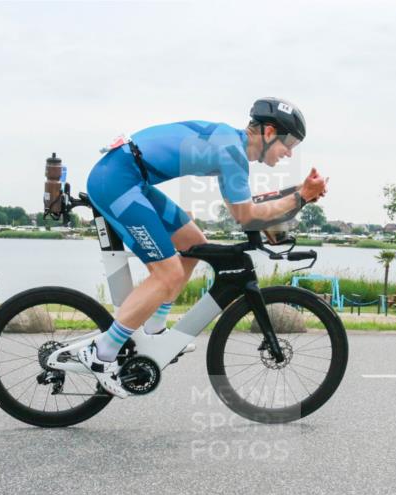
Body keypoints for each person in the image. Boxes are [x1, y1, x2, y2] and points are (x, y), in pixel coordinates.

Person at [81, 98, 328, 397]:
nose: (289, 153)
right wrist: (300, 196)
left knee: (193, 244)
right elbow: (246, 215)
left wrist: (295, 198)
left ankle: (155, 330)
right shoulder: (232, 152)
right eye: (288, 143)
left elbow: (247, 209)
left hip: (131, 178)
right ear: (268, 132)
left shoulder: (230, 144)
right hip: (117, 181)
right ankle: (102, 352)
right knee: (167, 274)